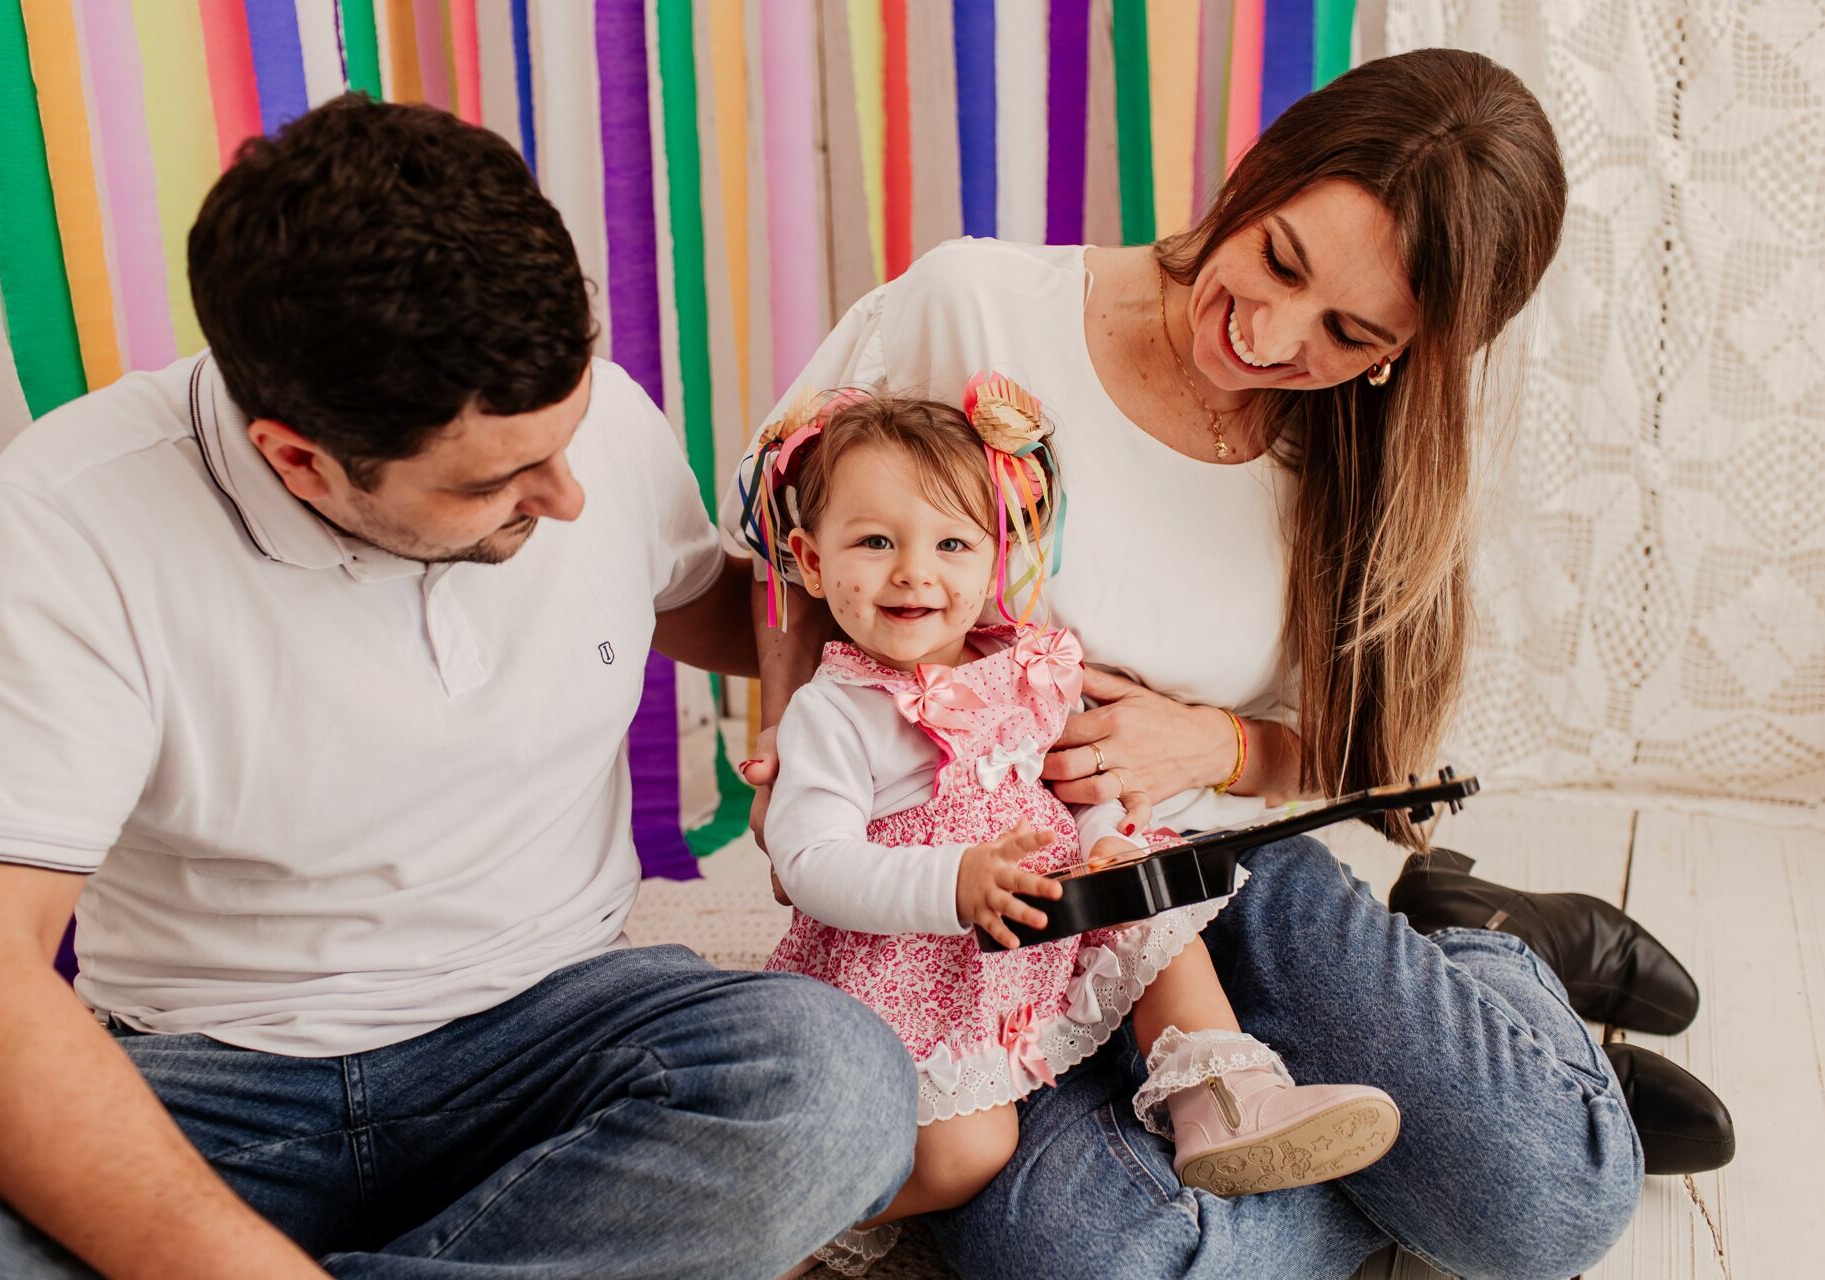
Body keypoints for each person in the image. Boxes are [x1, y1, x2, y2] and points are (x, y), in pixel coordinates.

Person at [729, 49, 1732, 1279]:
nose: (1266, 332)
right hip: (973, 919)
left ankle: (1478, 979)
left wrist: (1221, 744)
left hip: (1202, 883)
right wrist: (795, 746)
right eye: (1281, 261)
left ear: (1402, 354)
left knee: (1543, 1205)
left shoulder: (1364, 466)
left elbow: (1366, 753)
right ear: (1261, 174)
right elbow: (784, 540)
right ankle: (1423, 1097)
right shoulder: (976, 306)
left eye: (1348, 331)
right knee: (1095, 1260)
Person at [0, 96, 916, 1278]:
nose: (568, 498)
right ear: (298, 457)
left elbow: (720, 592)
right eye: (500, 481)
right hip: (214, 1084)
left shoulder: (582, 429)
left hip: (557, 1029)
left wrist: (825, 685)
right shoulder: (61, 527)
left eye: (567, 435)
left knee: (834, 1085)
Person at [737, 385, 1399, 1271]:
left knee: (1160, 913)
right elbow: (810, 861)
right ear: (812, 563)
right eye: (874, 542)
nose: (914, 572)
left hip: (1050, 912)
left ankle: (1220, 1097)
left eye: (952, 543)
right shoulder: (835, 712)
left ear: (995, 556)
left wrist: (1102, 840)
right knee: (971, 1151)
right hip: (921, 968)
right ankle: (781, 1222)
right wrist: (953, 882)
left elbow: (1066, 780)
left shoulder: (1022, 665)